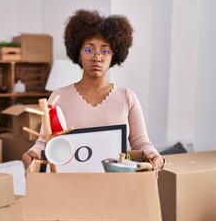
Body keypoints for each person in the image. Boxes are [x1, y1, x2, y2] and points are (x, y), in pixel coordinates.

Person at [22, 9, 165, 171]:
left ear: (113, 55)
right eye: (89, 50)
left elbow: (141, 144)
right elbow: (44, 142)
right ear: (78, 53)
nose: (97, 57)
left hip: (115, 184)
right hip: (70, 183)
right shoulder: (58, 96)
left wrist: (154, 155)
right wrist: (32, 153)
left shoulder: (127, 98)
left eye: (105, 51)